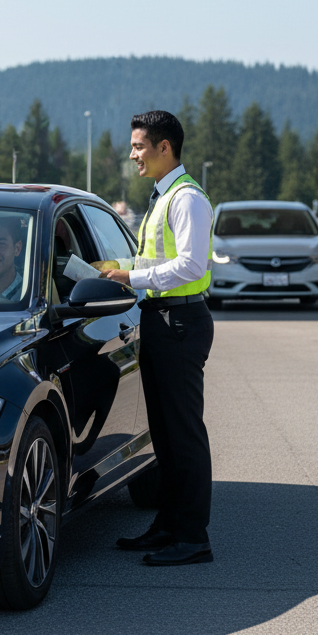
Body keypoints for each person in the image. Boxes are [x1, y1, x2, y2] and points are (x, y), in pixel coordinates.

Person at [99, 110, 215, 566]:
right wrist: (117, 270)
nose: (133, 156)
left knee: (184, 433)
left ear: (165, 147)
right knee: (165, 434)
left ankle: (193, 537)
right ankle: (168, 526)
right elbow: (156, 258)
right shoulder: (163, 196)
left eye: (139, 147)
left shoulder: (187, 199)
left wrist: (131, 276)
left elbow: (192, 266)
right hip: (163, 319)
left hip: (181, 323)